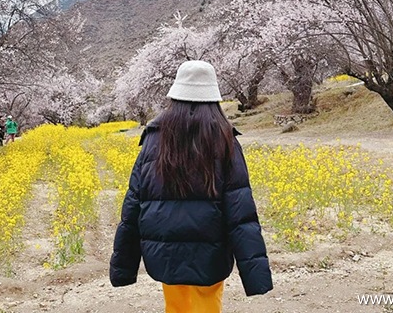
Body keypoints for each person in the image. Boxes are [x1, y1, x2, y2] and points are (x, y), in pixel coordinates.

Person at [110, 60, 273, 312]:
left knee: (176, 308)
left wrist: (124, 266)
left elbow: (133, 203)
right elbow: (241, 213)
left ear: (175, 95)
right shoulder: (225, 139)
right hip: (210, 254)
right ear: (213, 98)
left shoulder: (154, 139)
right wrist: (255, 276)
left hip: (165, 254)